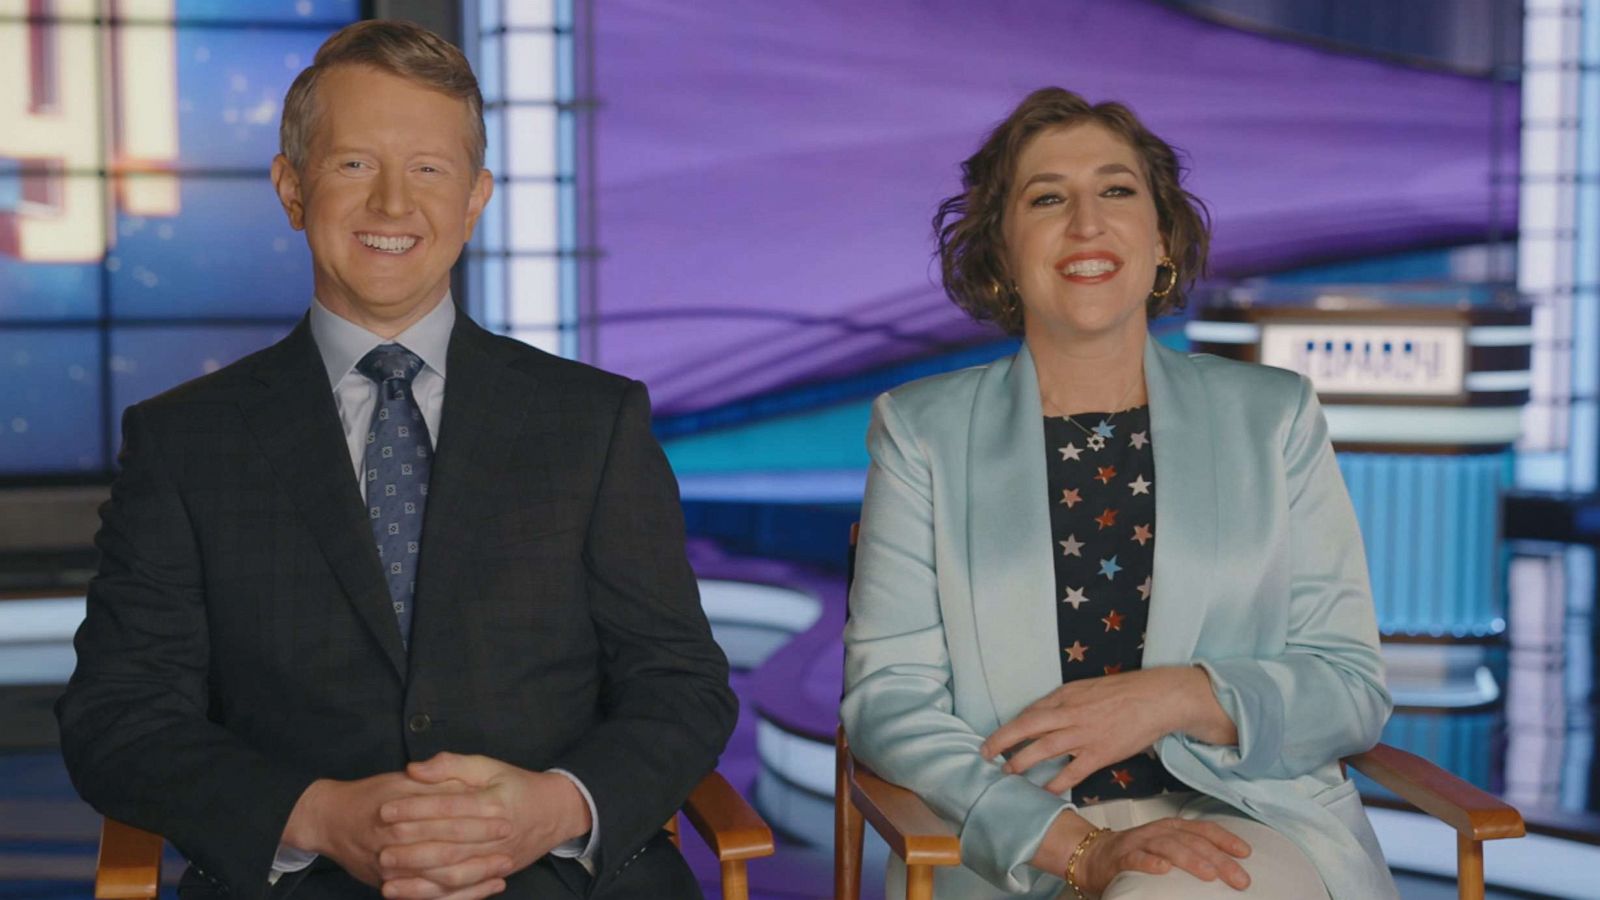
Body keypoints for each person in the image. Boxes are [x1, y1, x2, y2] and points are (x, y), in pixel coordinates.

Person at [56, 20, 735, 900]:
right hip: (305, 880)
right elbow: (118, 717)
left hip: (560, 874)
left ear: (475, 197)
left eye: (428, 169)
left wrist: (553, 806)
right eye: (352, 165)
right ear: (291, 189)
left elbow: (681, 685)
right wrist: (319, 816)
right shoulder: (184, 442)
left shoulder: (595, 420)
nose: (391, 205)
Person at [839, 87, 1397, 900]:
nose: (1087, 222)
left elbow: (1349, 688)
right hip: (1015, 847)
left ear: (1162, 236)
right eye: (1046, 198)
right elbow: (889, 706)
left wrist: (1177, 696)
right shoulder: (919, 431)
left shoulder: (1274, 416)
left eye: (1116, 190)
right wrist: (1074, 847)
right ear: (999, 253)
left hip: (1249, 820)